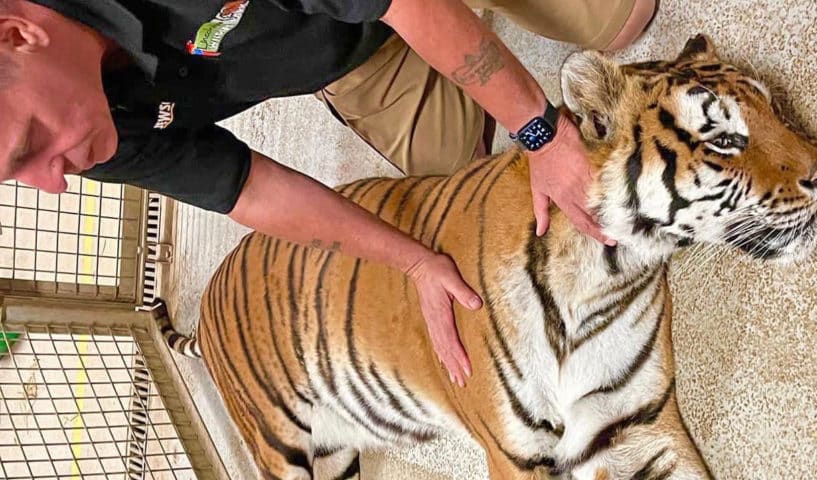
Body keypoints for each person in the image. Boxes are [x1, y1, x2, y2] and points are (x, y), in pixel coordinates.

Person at [0, 0, 657, 386]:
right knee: (487, 216)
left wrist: (539, 131)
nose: (52, 182)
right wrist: (416, 260)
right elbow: (249, 190)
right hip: (349, 50)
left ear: (16, 34)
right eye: (17, 176)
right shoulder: (87, 128)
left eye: (29, 147)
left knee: (620, 21)